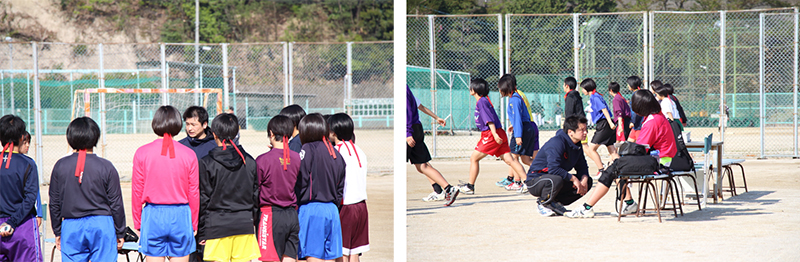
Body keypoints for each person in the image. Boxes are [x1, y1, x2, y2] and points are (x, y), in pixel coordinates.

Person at [566, 90, 677, 218]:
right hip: (660, 159)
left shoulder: (652, 121)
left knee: (613, 167)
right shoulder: (657, 115)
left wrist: (621, 157)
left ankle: (586, 208)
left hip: (658, 163)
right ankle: (629, 203)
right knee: (615, 166)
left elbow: (639, 149)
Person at [49, 117, 125, 261]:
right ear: (95, 137)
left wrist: (58, 231)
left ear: (70, 137)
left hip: (71, 226)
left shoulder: (60, 166)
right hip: (102, 224)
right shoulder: (106, 167)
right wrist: (120, 232)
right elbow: (116, 203)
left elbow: (55, 203)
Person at [132, 105, 199, 262]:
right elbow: (194, 192)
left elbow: (137, 190)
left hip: (153, 215)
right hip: (181, 215)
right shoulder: (189, 154)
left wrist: (138, 221)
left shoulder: (142, 152)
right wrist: (194, 222)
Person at [196, 113, 260, 262]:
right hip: (244, 226)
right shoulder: (249, 161)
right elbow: (255, 196)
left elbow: (203, 198)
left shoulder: (206, 163)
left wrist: (203, 231)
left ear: (214, 134)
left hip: (217, 226)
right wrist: (253, 224)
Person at [458, 78, 526, 195]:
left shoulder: (481, 102)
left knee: (474, 158)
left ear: (475, 89)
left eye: (471, 87)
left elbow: (490, 121)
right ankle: (527, 182)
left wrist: (494, 135)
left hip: (492, 134)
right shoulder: (483, 101)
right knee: (510, 160)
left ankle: (470, 186)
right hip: (497, 133)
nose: (470, 88)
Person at [295, 113, 346, 262]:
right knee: (331, 256)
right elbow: (340, 188)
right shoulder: (335, 153)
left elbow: (301, 179)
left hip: (312, 210)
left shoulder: (307, 149)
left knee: (314, 256)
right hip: (332, 211)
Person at [524, 115, 591, 217]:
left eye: (586, 129)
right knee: (556, 179)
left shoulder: (577, 145)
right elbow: (553, 169)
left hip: (556, 178)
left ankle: (555, 202)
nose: (585, 132)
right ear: (570, 132)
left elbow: (582, 166)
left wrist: (584, 178)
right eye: (582, 130)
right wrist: (573, 179)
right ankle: (543, 203)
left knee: (587, 182)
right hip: (535, 181)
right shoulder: (557, 142)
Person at [256, 115, 301, 262]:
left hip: (271, 214)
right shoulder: (296, 158)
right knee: (289, 257)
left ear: (271, 134)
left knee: (269, 258)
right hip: (292, 214)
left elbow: (255, 189)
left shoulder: (263, 160)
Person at [406, 86, 459, 205]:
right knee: (422, 165)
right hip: (416, 128)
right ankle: (444, 189)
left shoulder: (403, 90)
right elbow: (420, 106)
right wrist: (436, 117)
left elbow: (407, 111)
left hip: (409, 130)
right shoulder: (408, 90)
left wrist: (408, 133)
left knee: (421, 165)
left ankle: (445, 189)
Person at [0, 115, 42, 262]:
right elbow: (30, 198)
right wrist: (12, 222)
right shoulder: (28, 164)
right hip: (21, 225)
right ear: (22, 137)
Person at [328, 113, 370, 262]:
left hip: (346, 206)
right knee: (354, 251)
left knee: (342, 251)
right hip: (361, 206)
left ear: (332, 132)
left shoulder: (337, 151)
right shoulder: (359, 150)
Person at [495, 74, 539, 192]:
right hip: (527, 127)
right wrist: (513, 126)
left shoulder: (514, 99)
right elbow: (520, 116)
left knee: (513, 158)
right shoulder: (516, 97)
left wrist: (518, 135)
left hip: (523, 130)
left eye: (500, 88)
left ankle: (524, 182)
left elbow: (519, 118)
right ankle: (544, 171)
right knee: (525, 159)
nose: (499, 90)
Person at [581, 78, 618, 177]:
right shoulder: (594, 96)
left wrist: (610, 122)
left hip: (604, 124)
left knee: (591, 149)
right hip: (604, 124)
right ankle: (619, 169)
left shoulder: (595, 97)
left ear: (587, 88)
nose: (582, 91)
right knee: (612, 149)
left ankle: (601, 170)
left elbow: (604, 109)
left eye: (583, 88)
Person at [18, 131, 44, 228]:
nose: (27, 145)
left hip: (26, 213)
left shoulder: (29, 163)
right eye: (24, 143)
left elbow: (35, 191)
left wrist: (39, 214)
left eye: (28, 142)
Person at [626, 76, 645, 141]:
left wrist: (632, 122)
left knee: (640, 145)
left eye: (628, 84)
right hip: (637, 125)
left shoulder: (635, 95)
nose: (627, 86)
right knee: (629, 144)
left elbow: (635, 111)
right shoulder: (640, 93)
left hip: (638, 124)